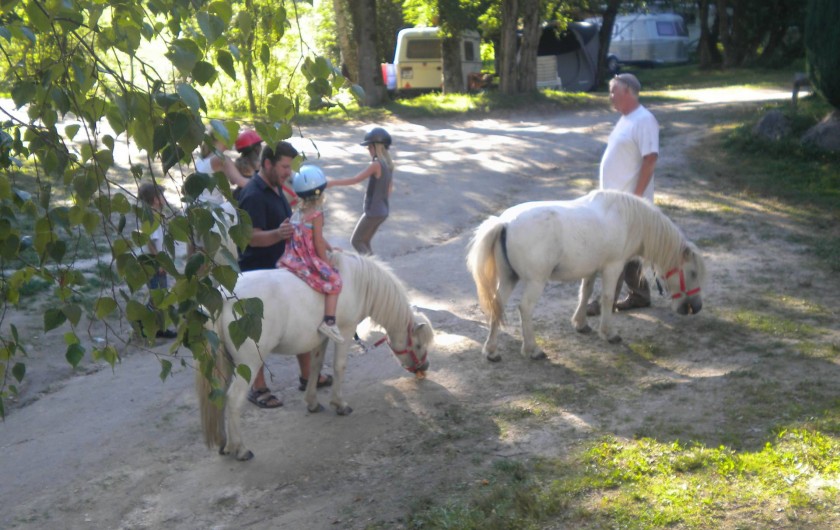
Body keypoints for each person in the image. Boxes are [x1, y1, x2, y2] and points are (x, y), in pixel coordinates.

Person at [237, 141, 333, 407]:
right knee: (258, 333)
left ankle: (307, 376)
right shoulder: (253, 195)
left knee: (303, 322)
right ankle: (258, 388)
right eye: (284, 166)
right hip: (256, 274)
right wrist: (277, 235)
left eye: (289, 167)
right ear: (267, 164)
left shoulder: (276, 188)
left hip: (280, 273)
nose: (288, 172)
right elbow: (250, 238)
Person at [587, 73, 660, 316]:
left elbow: (650, 159)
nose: (610, 96)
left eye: (613, 91)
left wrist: (636, 198)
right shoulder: (626, 119)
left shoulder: (644, 120)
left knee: (616, 252)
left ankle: (604, 302)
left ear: (628, 91)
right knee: (629, 252)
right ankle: (640, 295)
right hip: (616, 202)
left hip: (629, 203)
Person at [279, 165, 344, 344]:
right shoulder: (317, 214)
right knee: (335, 281)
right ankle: (329, 321)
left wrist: (331, 248)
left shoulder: (297, 213)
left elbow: (316, 237)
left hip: (292, 258)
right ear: (320, 192)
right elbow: (316, 241)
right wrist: (326, 263)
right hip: (307, 260)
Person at [327, 127, 393, 255]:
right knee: (365, 242)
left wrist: (333, 183)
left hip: (373, 212)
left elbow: (355, 179)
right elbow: (389, 190)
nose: (368, 150)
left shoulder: (376, 164)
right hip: (383, 211)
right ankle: (377, 271)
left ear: (376, 147)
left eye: (369, 147)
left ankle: (374, 272)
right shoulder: (388, 165)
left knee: (356, 241)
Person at [191, 130, 250, 259]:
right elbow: (240, 182)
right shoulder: (221, 159)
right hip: (210, 215)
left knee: (196, 260)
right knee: (209, 261)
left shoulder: (202, 159)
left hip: (194, 211)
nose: (234, 138)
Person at [137, 182, 177, 339]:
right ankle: (147, 323)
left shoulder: (153, 215)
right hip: (155, 262)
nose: (164, 199)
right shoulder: (152, 218)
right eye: (161, 196)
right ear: (155, 199)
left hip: (155, 261)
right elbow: (150, 241)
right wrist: (160, 262)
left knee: (158, 294)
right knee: (158, 295)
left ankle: (155, 325)